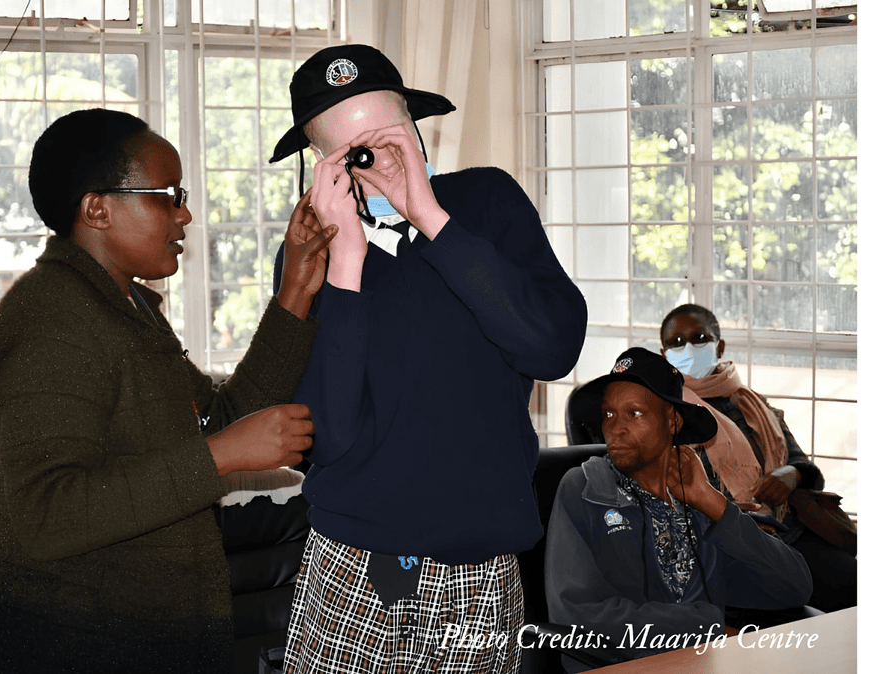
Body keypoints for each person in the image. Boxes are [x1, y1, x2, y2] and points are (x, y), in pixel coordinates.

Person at [0, 108, 336, 672]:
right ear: (97, 208)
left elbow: (216, 420)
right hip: (63, 646)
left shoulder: (125, 307)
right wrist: (223, 455)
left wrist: (296, 290)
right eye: (167, 195)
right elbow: (47, 512)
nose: (185, 215)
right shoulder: (50, 316)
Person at [268, 44, 588, 673]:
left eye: (394, 136)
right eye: (359, 152)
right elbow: (323, 437)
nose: (383, 160)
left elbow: (553, 347)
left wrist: (433, 220)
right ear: (324, 164)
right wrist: (349, 268)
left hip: (477, 573)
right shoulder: (312, 253)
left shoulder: (487, 204)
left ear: (417, 125)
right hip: (349, 569)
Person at [548, 347, 813, 672]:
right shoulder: (586, 489)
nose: (615, 428)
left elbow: (794, 587)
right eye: (609, 414)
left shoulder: (694, 500)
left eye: (634, 414)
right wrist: (707, 628)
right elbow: (575, 614)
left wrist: (715, 504)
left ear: (673, 420)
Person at [660, 303, 856, 612]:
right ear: (663, 353)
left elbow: (805, 467)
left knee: (851, 587)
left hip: (788, 530)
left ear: (719, 345)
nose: (689, 348)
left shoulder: (751, 403)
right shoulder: (667, 414)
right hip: (727, 543)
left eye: (699, 337)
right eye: (677, 342)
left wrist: (791, 474)